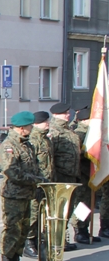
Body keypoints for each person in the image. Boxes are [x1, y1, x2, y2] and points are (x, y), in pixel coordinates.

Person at [0, 112, 44, 261]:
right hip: (13, 195)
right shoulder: (9, 146)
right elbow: (13, 173)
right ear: (22, 128)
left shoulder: (27, 145)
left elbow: (34, 166)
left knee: (23, 229)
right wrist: (36, 180)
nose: (31, 129)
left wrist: (37, 182)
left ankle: (16, 260)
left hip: (26, 194)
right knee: (12, 229)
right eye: (30, 126)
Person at [49, 102, 82, 251]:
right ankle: (56, 240)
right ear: (56, 115)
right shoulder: (54, 132)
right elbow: (50, 158)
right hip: (60, 177)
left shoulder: (68, 131)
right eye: (65, 113)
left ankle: (63, 238)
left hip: (72, 176)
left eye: (68, 113)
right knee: (59, 211)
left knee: (67, 210)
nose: (68, 115)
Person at [23, 111, 55, 258]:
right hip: (36, 184)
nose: (47, 124)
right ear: (35, 124)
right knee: (33, 215)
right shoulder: (33, 140)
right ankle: (28, 243)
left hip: (46, 184)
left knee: (42, 214)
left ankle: (36, 240)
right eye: (44, 122)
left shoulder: (45, 140)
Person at [72, 108, 95, 244]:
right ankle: (79, 230)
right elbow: (76, 155)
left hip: (89, 174)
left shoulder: (91, 133)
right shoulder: (79, 134)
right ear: (84, 120)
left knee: (87, 202)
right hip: (81, 173)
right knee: (81, 203)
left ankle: (85, 229)